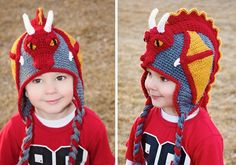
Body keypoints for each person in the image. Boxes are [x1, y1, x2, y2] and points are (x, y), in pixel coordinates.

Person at [0, 8, 114, 165]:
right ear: (24, 90)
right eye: (37, 81)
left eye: (60, 77)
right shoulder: (13, 130)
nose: (50, 90)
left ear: (75, 81)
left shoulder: (93, 127)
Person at [125, 8, 224, 165]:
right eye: (149, 74)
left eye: (164, 78)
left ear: (189, 87)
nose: (151, 84)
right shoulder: (143, 122)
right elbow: (131, 159)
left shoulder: (206, 137)